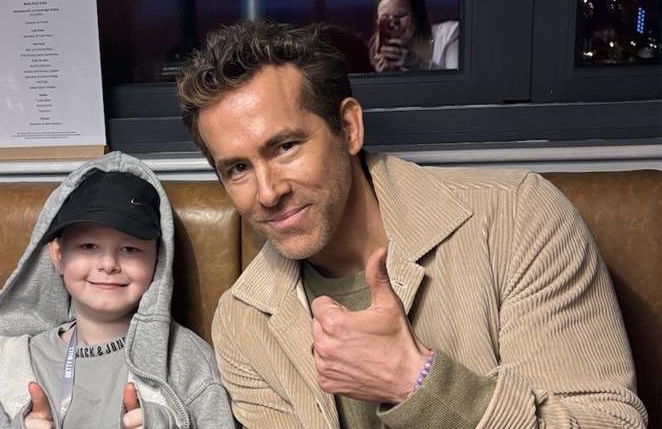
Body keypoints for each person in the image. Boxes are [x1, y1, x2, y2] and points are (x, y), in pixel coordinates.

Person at [175, 21, 647, 428]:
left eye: (285, 147)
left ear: (350, 129)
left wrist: (416, 382)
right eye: (237, 168)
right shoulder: (243, 324)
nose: (267, 191)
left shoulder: (516, 219)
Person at [0, 151, 235, 428]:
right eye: (88, 246)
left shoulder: (187, 361)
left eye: (130, 249)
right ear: (57, 255)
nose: (108, 264)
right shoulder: (20, 363)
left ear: (157, 262)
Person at [369, 0, 459, 71]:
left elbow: (460, 84)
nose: (392, 24)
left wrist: (418, 64)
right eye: (384, 18)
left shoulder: (449, 35)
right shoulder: (374, 55)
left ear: (418, 17)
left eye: (400, 16)